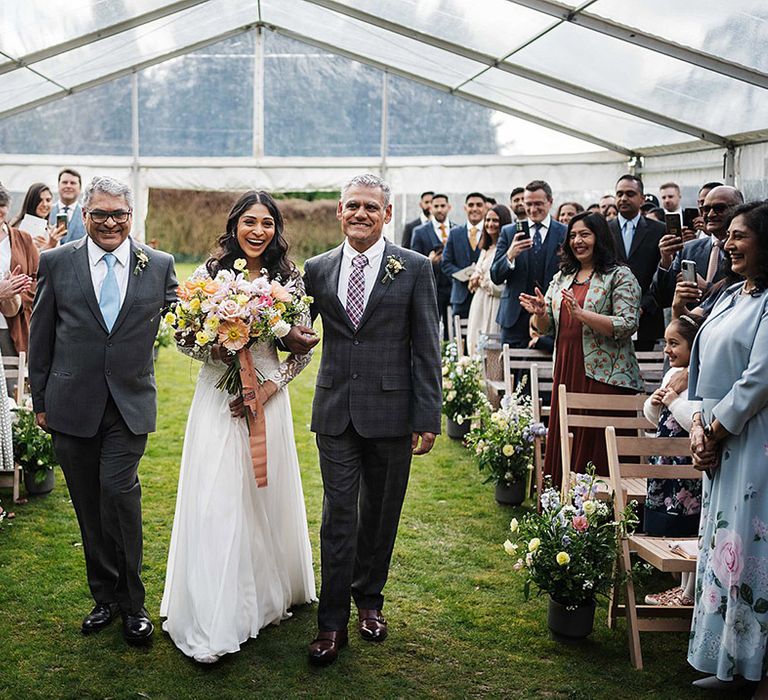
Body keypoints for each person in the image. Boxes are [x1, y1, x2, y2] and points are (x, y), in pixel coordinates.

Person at [160, 191, 316, 664]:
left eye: (267, 224)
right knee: (218, 497)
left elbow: (305, 346)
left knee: (261, 495)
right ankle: (215, 608)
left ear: (276, 230)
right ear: (234, 225)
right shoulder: (208, 276)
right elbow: (182, 334)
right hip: (218, 398)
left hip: (266, 400)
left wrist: (268, 387)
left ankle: (266, 589)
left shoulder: (290, 279)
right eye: (250, 222)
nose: (258, 231)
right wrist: (216, 348)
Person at [29, 176, 177, 644]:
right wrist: (39, 401)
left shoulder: (158, 264)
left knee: (118, 493)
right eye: (100, 215)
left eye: (119, 215)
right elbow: (41, 334)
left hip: (129, 405)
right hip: (70, 405)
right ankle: (104, 598)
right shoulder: (56, 262)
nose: (110, 222)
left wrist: (233, 322)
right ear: (85, 216)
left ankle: (134, 603)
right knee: (89, 509)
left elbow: (186, 319)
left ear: (131, 218)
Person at [302, 173, 441, 666]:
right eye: (352, 206)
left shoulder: (414, 267)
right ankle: (331, 623)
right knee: (339, 517)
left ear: (386, 214)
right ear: (339, 212)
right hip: (335, 410)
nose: (361, 214)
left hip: (392, 412)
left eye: (371, 207)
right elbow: (295, 332)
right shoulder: (316, 269)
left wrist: (426, 416)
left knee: (380, 515)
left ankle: (370, 601)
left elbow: (427, 347)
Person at [685, 201, 768, 694]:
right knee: (723, 546)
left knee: (752, 546)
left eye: (741, 236)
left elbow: (759, 381)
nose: (729, 243)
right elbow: (697, 369)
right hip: (719, 442)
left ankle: (759, 671)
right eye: (728, 235)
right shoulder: (731, 295)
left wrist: (713, 432)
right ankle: (729, 662)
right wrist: (698, 426)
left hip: (754, 443)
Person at [520, 212, 643, 487]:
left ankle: (601, 516)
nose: (578, 240)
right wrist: (540, 312)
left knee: (597, 444)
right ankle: (560, 511)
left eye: (585, 234)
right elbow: (545, 327)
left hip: (605, 376)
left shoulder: (619, 276)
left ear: (599, 238)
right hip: (567, 368)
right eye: (573, 235)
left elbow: (627, 324)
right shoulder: (563, 277)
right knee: (566, 437)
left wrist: (582, 314)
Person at [642, 314, 703, 608]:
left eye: (674, 343)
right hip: (666, 465)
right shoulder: (671, 375)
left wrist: (673, 402)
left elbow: (692, 421)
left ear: (695, 347)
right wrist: (653, 403)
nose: (667, 349)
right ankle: (681, 589)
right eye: (666, 343)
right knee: (673, 523)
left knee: (690, 526)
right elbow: (656, 420)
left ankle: (688, 592)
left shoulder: (698, 379)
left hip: (687, 469)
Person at [491, 180, 566, 349]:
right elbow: (495, 276)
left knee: (548, 373)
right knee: (512, 372)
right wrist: (510, 255)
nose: (533, 209)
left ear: (550, 202)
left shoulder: (565, 232)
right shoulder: (509, 232)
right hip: (513, 318)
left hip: (553, 317)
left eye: (538, 204)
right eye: (529, 204)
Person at [652, 185, 744, 311]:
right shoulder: (688, 249)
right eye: (705, 209)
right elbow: (662, 299)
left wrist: (707, 288)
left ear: (739, 209)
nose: (710, 214)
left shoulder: (746, 251)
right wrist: (666, 260)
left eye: (719, 208)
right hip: (689, 328)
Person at [608, 174, 666, 351]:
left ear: (642, 198)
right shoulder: (603, 230)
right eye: (619, 194)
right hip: (610, 317)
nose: (623, 198)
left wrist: (642, 307)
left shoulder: (659, 230)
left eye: (630, 193)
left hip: (647, 318)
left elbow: (662, 273)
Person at [0, 184, 39, 357]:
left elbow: (39, 279)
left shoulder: (23, 239)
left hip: (14, 323)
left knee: (13, 380)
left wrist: (18, 290)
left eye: (1, 207)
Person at [466, 204, 510, 354]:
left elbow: (502, 285)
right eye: (488, 220)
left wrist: (482, 281)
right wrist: (474, 278)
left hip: (494, 303)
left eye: (495, 220)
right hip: (479, 301)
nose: (490, 224)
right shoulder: (486, 248)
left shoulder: (504, 249)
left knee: (490, 344)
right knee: (474, 342)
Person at [411, 193, 454, 339]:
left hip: (454, 287)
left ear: (449, 207)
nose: (440, 209)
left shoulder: (457, 230)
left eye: (443, 206)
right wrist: (428, 261)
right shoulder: (420, 232)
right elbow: (413, 261)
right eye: (436, 206)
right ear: (430, 208)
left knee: (453, 328)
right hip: (431, 286)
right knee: (430, 328)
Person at [442, 192, 485, 319]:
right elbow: (446, 264)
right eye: (471, 205)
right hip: (461, 297)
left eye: (479, 205)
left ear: (485, 208)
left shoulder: (492, 232)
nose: (475, 208)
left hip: (485, 294)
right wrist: (466, 275)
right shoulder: (455, 233)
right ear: (465, 207)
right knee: (460, 336)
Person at [10, 183, 66, 251]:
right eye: (39, 201)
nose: (45, 204)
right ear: (31, 202)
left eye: (48, 200)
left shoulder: (50, 230)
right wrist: (49, 246)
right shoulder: (19, 229)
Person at [49, 168, 87, 244]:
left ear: (80, 188)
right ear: (58, 185)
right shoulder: (46, 211)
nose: (68, 186)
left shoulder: (87, 214)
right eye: (65, 182)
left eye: (73, 183)